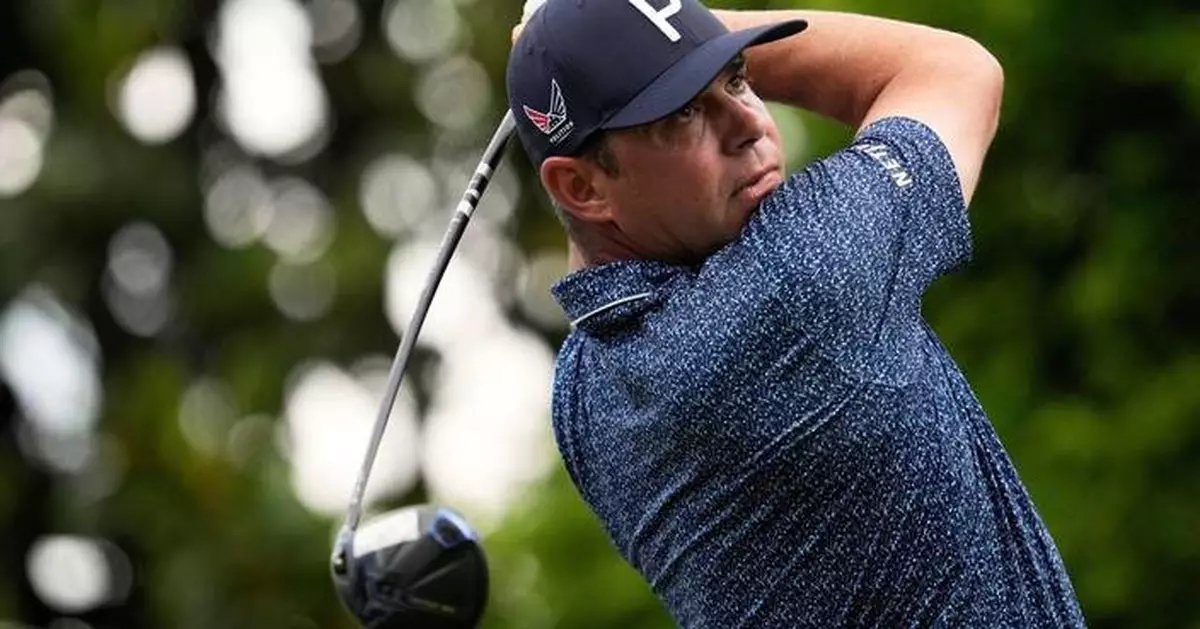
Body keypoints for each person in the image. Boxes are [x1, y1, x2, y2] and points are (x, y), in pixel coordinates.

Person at [507, 1, 1086, 626]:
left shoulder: (583, 393)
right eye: (683, 114)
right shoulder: (797, 283)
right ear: (582, 188)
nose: (750, 124)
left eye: (737, 76)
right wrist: (699, 27)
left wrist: (635, 36)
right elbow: (955, 69)